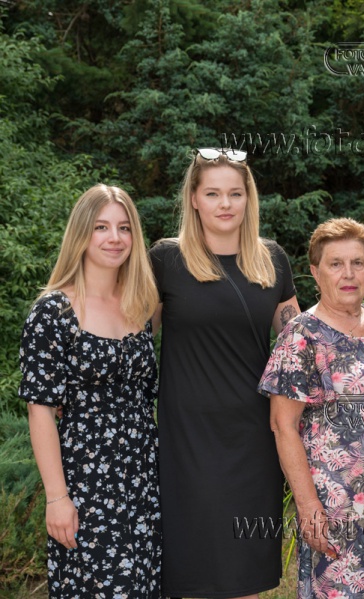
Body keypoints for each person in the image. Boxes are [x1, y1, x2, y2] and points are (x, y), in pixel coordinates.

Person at [150, 148, 301, 598]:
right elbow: (132, 337)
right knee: (195, 570)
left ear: (248, 198)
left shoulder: (271, 260)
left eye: (235, 193)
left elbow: (300, 342)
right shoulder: (166, 260)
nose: (225, 204)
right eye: (213, 193)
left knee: (243, 573)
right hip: (188, 438)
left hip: (254, 437)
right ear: (194, 198)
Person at [259, 217, 364, 599]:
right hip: (339, 501)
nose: (348, 273)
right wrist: (308, 506)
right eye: (335, 264)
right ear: (315, 272)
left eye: (357, 263)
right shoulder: (301, 335)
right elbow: (282, 426)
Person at [20, 185, 161, 597]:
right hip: (86, 481)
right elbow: (40, 410)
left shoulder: (141, 305)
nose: (114, 238)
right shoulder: (52, 312)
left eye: (124, 228)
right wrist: (56, 498)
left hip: (144, 478)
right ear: (81, 233)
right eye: (101, 227)